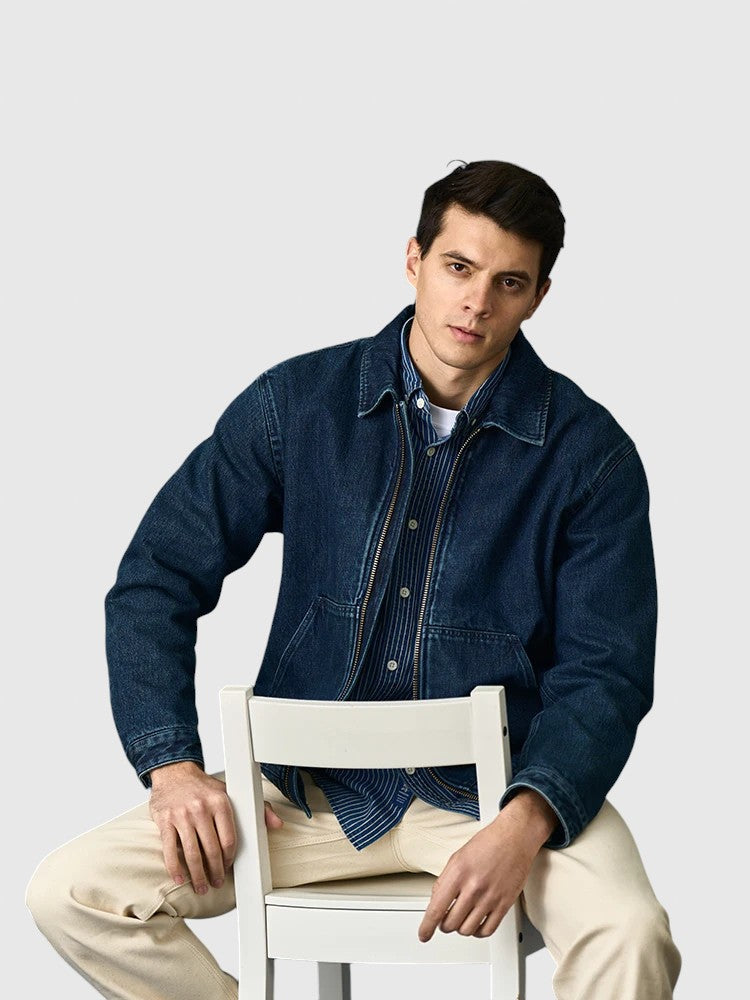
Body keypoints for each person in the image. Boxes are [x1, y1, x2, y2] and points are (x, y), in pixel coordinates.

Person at [26, 160, 681, 999]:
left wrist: (527, 820)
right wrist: (173, 769)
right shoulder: (298, 404)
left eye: (509, 282)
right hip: (301, 798)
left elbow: (607, 672)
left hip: (495, 799)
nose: (477, 302)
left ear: (539, 296)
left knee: (630, 935)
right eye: (458, 267)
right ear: (413, 259)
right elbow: (156, 575)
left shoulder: (589, 455)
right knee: (72, 893)